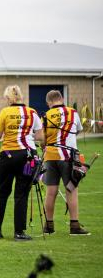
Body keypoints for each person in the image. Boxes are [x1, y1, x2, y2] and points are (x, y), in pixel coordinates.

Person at [0, 85, 44, 241]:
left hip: (7, 156)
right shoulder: (32, 112)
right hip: (27, 158)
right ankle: (19, 232)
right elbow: (41, 137)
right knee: (21, 194)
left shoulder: (5, 112)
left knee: (2, 192)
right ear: (20, 97)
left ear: (8, 98)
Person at [41, 90, 90, 235]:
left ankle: (49, 226)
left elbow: (42, 139)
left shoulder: (46, 115)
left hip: (50, 156)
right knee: (71, 189)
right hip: (68, 156)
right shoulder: (72, 112)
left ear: (49, 102)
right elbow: (78, 130)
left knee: (50, 192)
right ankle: (74, 226)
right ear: (61, 99)